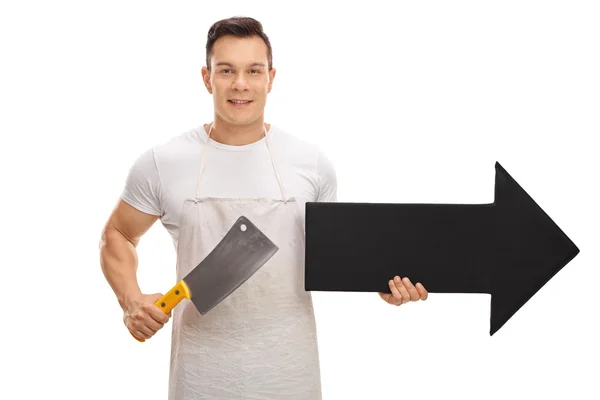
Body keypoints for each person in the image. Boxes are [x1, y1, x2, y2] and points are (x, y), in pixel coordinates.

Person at [99, 16, 428, 400]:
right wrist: (130, 299)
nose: (240, 83)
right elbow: (117, 234)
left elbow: (339, 258)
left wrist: (383, 284)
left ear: (271, 77)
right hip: (199, 375)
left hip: (290, 372)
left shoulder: (311, 164)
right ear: (207, 78)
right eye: (227, 70)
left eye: (253, 70)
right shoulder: (163, 162)